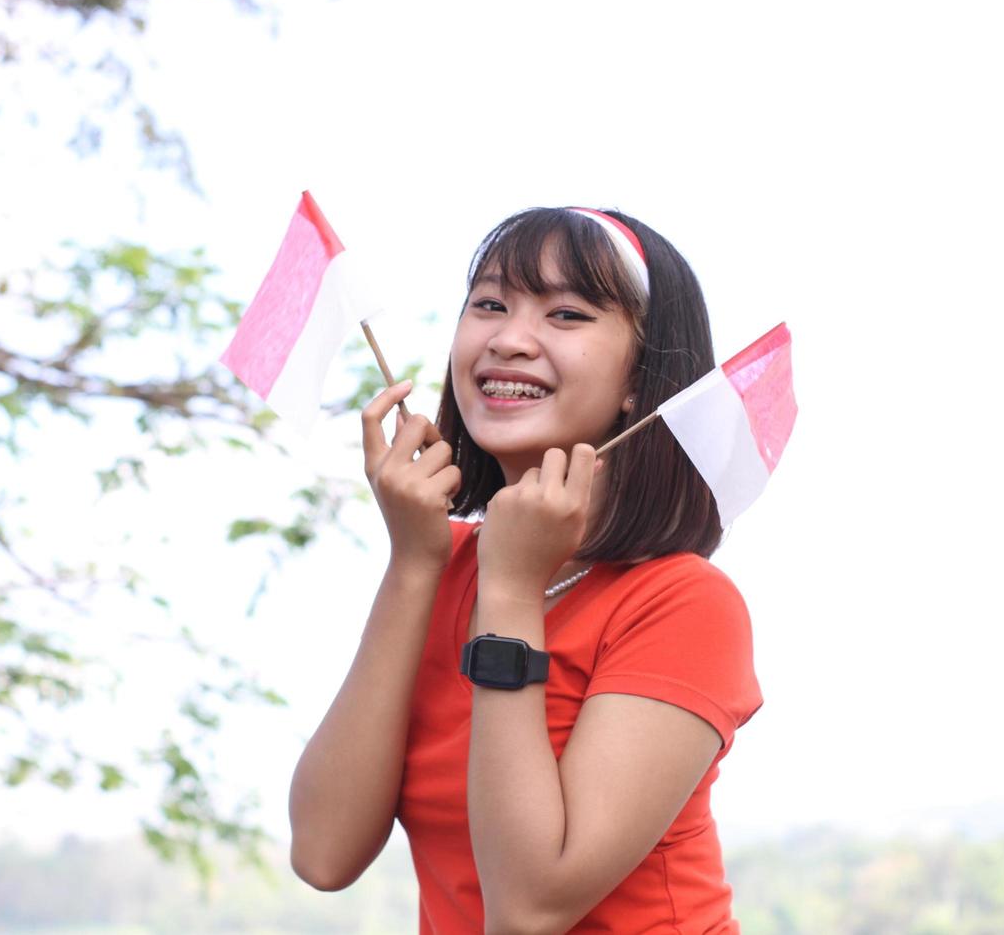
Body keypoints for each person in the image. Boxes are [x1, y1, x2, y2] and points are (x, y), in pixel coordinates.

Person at [288, 206, 763, 934]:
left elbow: (530, 907)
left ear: (641, 377)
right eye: (488, 304)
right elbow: (323, 854)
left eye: (568, 314)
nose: (508, 339)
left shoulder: (682, 603)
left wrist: (510, 591)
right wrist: (414, 564)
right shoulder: (435, 565)